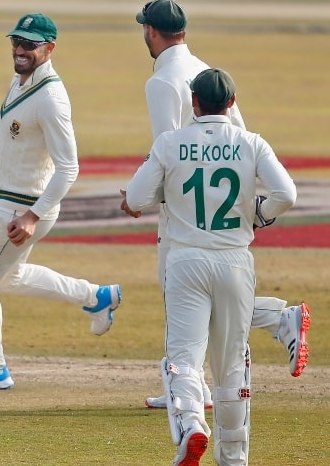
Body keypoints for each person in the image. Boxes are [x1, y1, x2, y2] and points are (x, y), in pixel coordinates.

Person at [124, 0, 311, 410]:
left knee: (183, 290)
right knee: (213, 291)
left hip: (184, 206)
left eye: (145, 30)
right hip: (226, 209)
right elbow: (237, 134)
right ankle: (270, 330)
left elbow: (165, 149)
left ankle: (195, 384)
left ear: (151, 32)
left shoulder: (160, 82)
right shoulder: (206, 70)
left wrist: (139, 195)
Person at [125, 67, 297, 466]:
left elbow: (135, 197)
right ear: (232, 104)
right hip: (236, 261)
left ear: (194, 103)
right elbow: (285, 193)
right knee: (231, 365)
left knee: (184, 358)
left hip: (185, 260)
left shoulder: (171, 142)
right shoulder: (251, 142)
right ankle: (233, 457)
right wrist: (259, 213)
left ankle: (191, 426)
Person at [0, 13, 121, 391]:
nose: (20, 50)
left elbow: (69, 167)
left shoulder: (52, 99)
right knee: (12, 276)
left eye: (30, 44)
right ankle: (97, 296)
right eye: (16, 42)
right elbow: (8, 125)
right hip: (18, 204)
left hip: (21, 208)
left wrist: (32, 216)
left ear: (50, 48)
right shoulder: (22, 80)